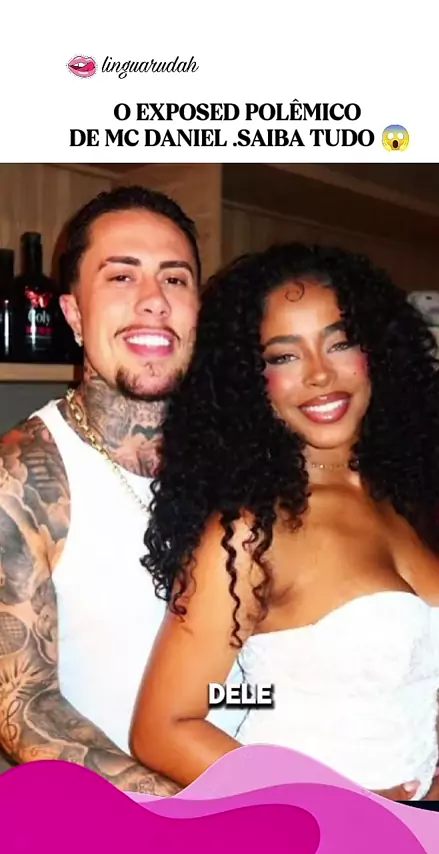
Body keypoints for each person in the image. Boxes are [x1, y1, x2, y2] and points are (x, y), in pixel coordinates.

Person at [130, 242, 439, 801]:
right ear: (250, 381)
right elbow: (164, 728)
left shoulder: (398, 491)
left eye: (340, 342)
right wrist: (337, 810)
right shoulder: (249, 534)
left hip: (425, 822)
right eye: (283, 357)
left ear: (377, 350)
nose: (319, 374)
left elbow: (420, 653)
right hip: (313, 829)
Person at [0, 184, 211, 795]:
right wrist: (193, 813)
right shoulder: (22, 476)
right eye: (122, 276)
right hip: (125, 823)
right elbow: (24, 706)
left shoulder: (239, 456)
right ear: (72, 314)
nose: (154, 301)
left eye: (175, 279)